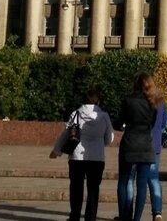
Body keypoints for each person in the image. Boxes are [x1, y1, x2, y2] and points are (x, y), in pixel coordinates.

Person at [49, 89, 114, 221]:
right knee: (93, 189)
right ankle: (90, 217)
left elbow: (67, 134)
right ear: (98, 101)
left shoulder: (76, 114)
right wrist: (101, 143)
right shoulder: (104, 116)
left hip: (77, 156)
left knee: (76, 186)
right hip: (97, 157)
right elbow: (110, 138)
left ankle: (75, 216)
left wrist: (56, 151)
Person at [117, 73, 160, 221]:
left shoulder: (128, 100)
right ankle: (137, 219)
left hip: (129, 143)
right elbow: (153, 124)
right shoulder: (153, 102)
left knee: (124, 181)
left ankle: (124, 216)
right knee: (142, 186)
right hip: (146, 145)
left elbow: (119, 122)